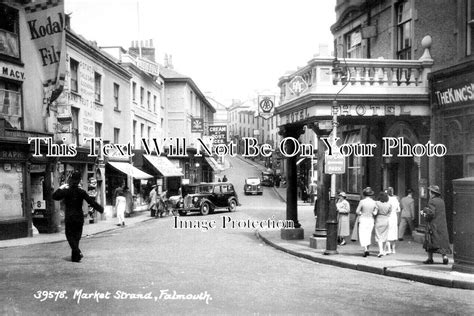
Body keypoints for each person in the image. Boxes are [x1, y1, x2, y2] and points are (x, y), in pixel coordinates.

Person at [52, 171, 104, 262]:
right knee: (77, 237)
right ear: (79, 180)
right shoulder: (81, 192)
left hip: (70, 217)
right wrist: (101, 209)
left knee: (69, 235)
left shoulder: (66, 191)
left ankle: (77, 252)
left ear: (71, 180)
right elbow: (91, 202)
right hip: (79, 217)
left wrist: (61, 187)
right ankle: (75, 257)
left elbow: (55, 196)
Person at [421, 185, 452, 264]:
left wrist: (424, 212)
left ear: (432, 193)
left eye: (430, 192)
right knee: (442, 241)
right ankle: (444, 257)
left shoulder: (432, 201)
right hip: (441, 224)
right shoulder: (441, 201)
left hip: (433, 225)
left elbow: (431, 213)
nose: (429, 193)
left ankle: (430, 259)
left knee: (429, 240)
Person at [355, 187, 377, 257]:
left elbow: (357, 211)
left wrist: (361, 213)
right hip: (370, 219)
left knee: (363, 234)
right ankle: (368, 248)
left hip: (363, 219)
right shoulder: (374, 202)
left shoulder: (362, 202)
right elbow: (375, 212)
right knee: (369, 234)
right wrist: (372, 213)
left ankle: (365, 249)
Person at [374, 191, 392, 257]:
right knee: (385, 236)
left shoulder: (377, 203)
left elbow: (375, 212)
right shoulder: (389, 204)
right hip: (386, 220)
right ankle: (384, 250)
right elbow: (389, 213)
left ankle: (381, 251)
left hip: (379, 219)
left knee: (379, 236)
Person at [385, 187, 400, 254]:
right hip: (394, 217)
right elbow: (398, 210)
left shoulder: (387, 200)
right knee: (394, 232)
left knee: (387, 232)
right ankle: (393, 249)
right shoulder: (396, 199)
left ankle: (388, 249)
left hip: (388, 217)